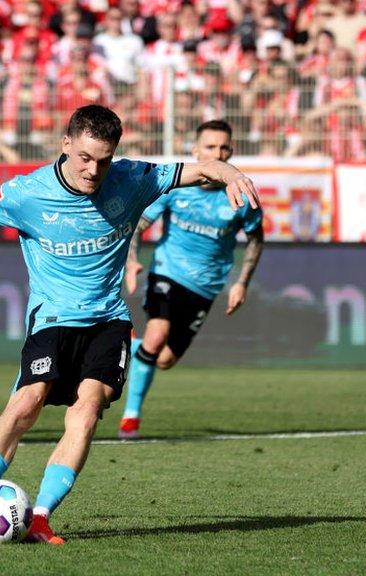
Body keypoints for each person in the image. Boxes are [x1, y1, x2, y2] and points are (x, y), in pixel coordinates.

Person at [0, 105, 260, 544]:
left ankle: (39, 517)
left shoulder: (134, 178)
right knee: (25, 405)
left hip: (108, 320)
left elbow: (200, 168)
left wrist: (230, 174)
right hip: (52, 320)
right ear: (65, 144)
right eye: (84, 157)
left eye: (103, 159)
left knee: (87, 411)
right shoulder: (26, 194)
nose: (93, 170)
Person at [119, 120, 265, 439]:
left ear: (232, 151)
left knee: (166, 360)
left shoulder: (240, 193)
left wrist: (241, 282)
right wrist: (131, 262)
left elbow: (255, 239)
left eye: (224, 147)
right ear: (195, 150)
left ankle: (133, 346)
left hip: (205, 286)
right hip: (167, 272)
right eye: (210, 147)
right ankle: (131, 418)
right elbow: (137, 226)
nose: (217, 153)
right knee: (157, 335)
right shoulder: (176, 186)